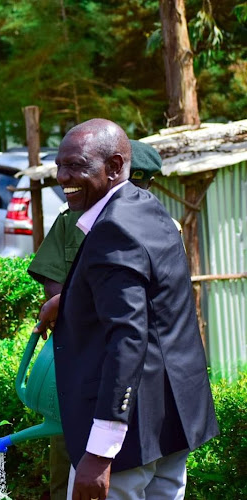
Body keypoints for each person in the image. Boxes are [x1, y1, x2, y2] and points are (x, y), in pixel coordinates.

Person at [47, 118, 218, 500]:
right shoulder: (147, 207)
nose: (62, 176)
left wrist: (100, 451)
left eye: (76, 165)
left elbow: (128, 337)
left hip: (129, 434)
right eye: (59, 165)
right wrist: (65, 302)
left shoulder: (112, 229)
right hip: (172, 419)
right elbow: (149, 299)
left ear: (114, 166)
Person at [28, 140, 165, 500]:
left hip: (131, 372)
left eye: (141, 182)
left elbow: (140, 320)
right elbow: (55, 276)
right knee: (67, 445)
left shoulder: (150, 221)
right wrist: (65, 301)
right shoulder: (73, 219)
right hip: (84, 361)